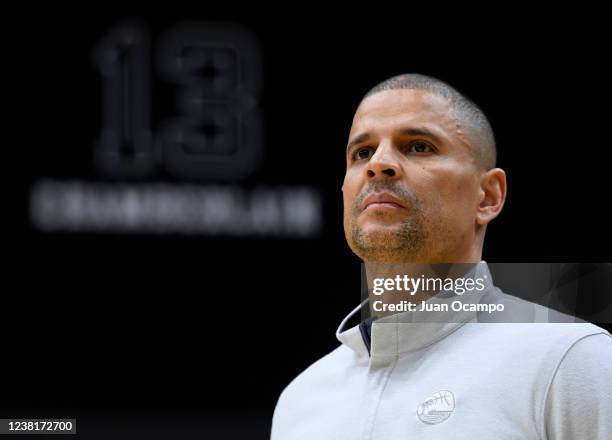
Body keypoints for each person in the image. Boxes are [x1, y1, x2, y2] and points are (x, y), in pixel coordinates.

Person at [270, 74, 612, 439]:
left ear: (488, 196)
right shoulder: (299, 401)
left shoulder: (570, 360)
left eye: (418, 146)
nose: (379, 163)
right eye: (362, 153)